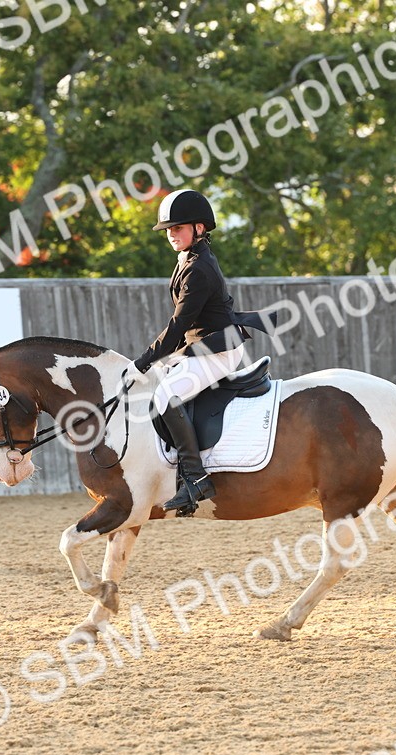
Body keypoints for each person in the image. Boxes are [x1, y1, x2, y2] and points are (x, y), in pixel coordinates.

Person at [129, 189, 274, 513]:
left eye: (177, 228)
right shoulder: (188, 259)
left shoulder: (199, 268)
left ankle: (196, 479)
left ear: (199, 228)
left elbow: (179, 324)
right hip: (201, 346)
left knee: (166, 397)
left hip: (218, 350)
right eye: (168, 229)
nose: (171, 234)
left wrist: (144, 360)